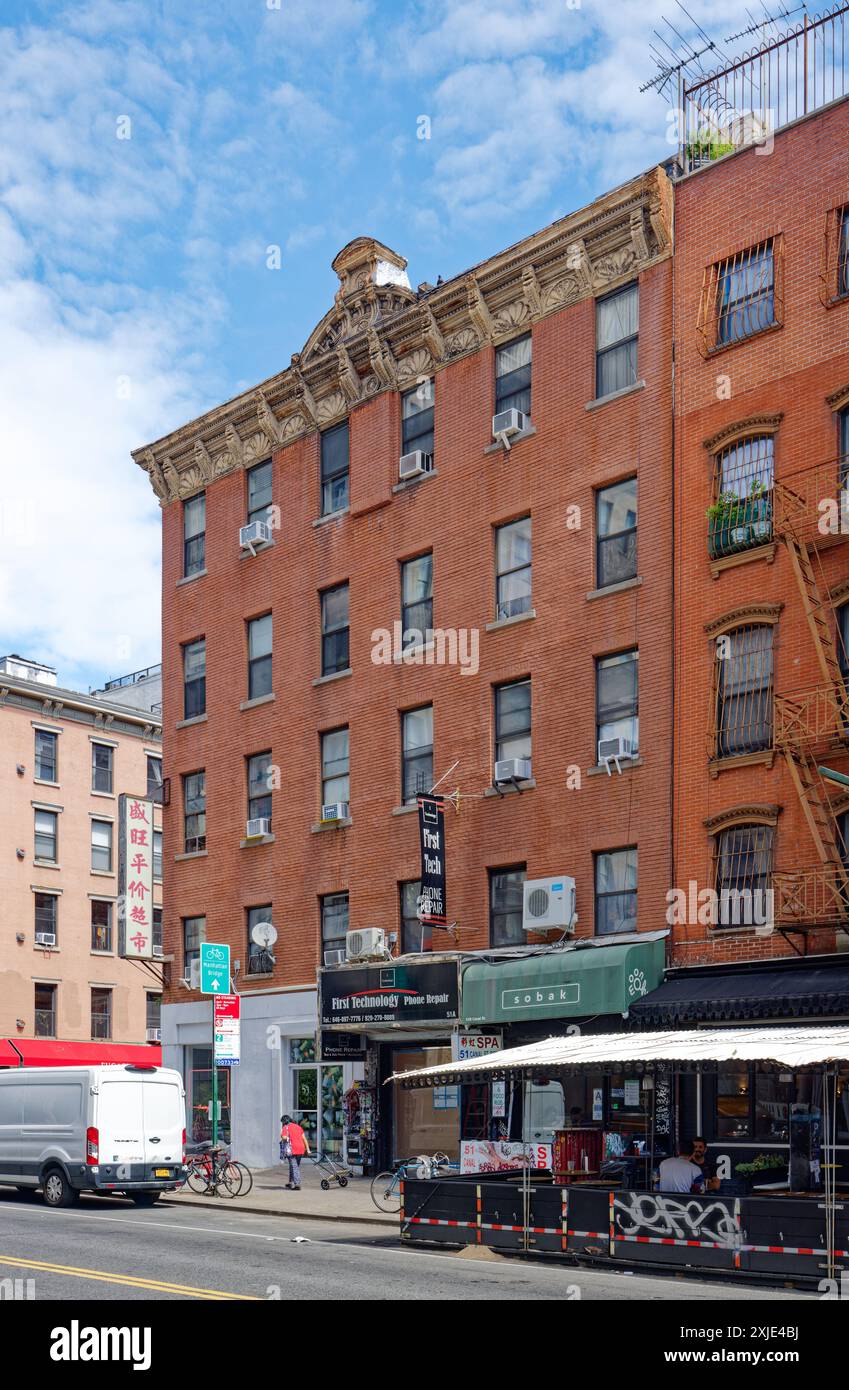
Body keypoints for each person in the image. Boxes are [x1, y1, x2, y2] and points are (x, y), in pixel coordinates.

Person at [280, 1114, 310, 1190]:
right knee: (293, 1166)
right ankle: (290, 1182)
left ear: (284, 1121)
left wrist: (283, 1137)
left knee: (294, 1167)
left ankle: (297, 1184)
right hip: (301, 1148)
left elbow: (284, 1137)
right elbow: (304, 1139)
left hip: (292, 1149)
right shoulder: (298, 1127)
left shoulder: (285, 1127)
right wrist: (308, 1149)